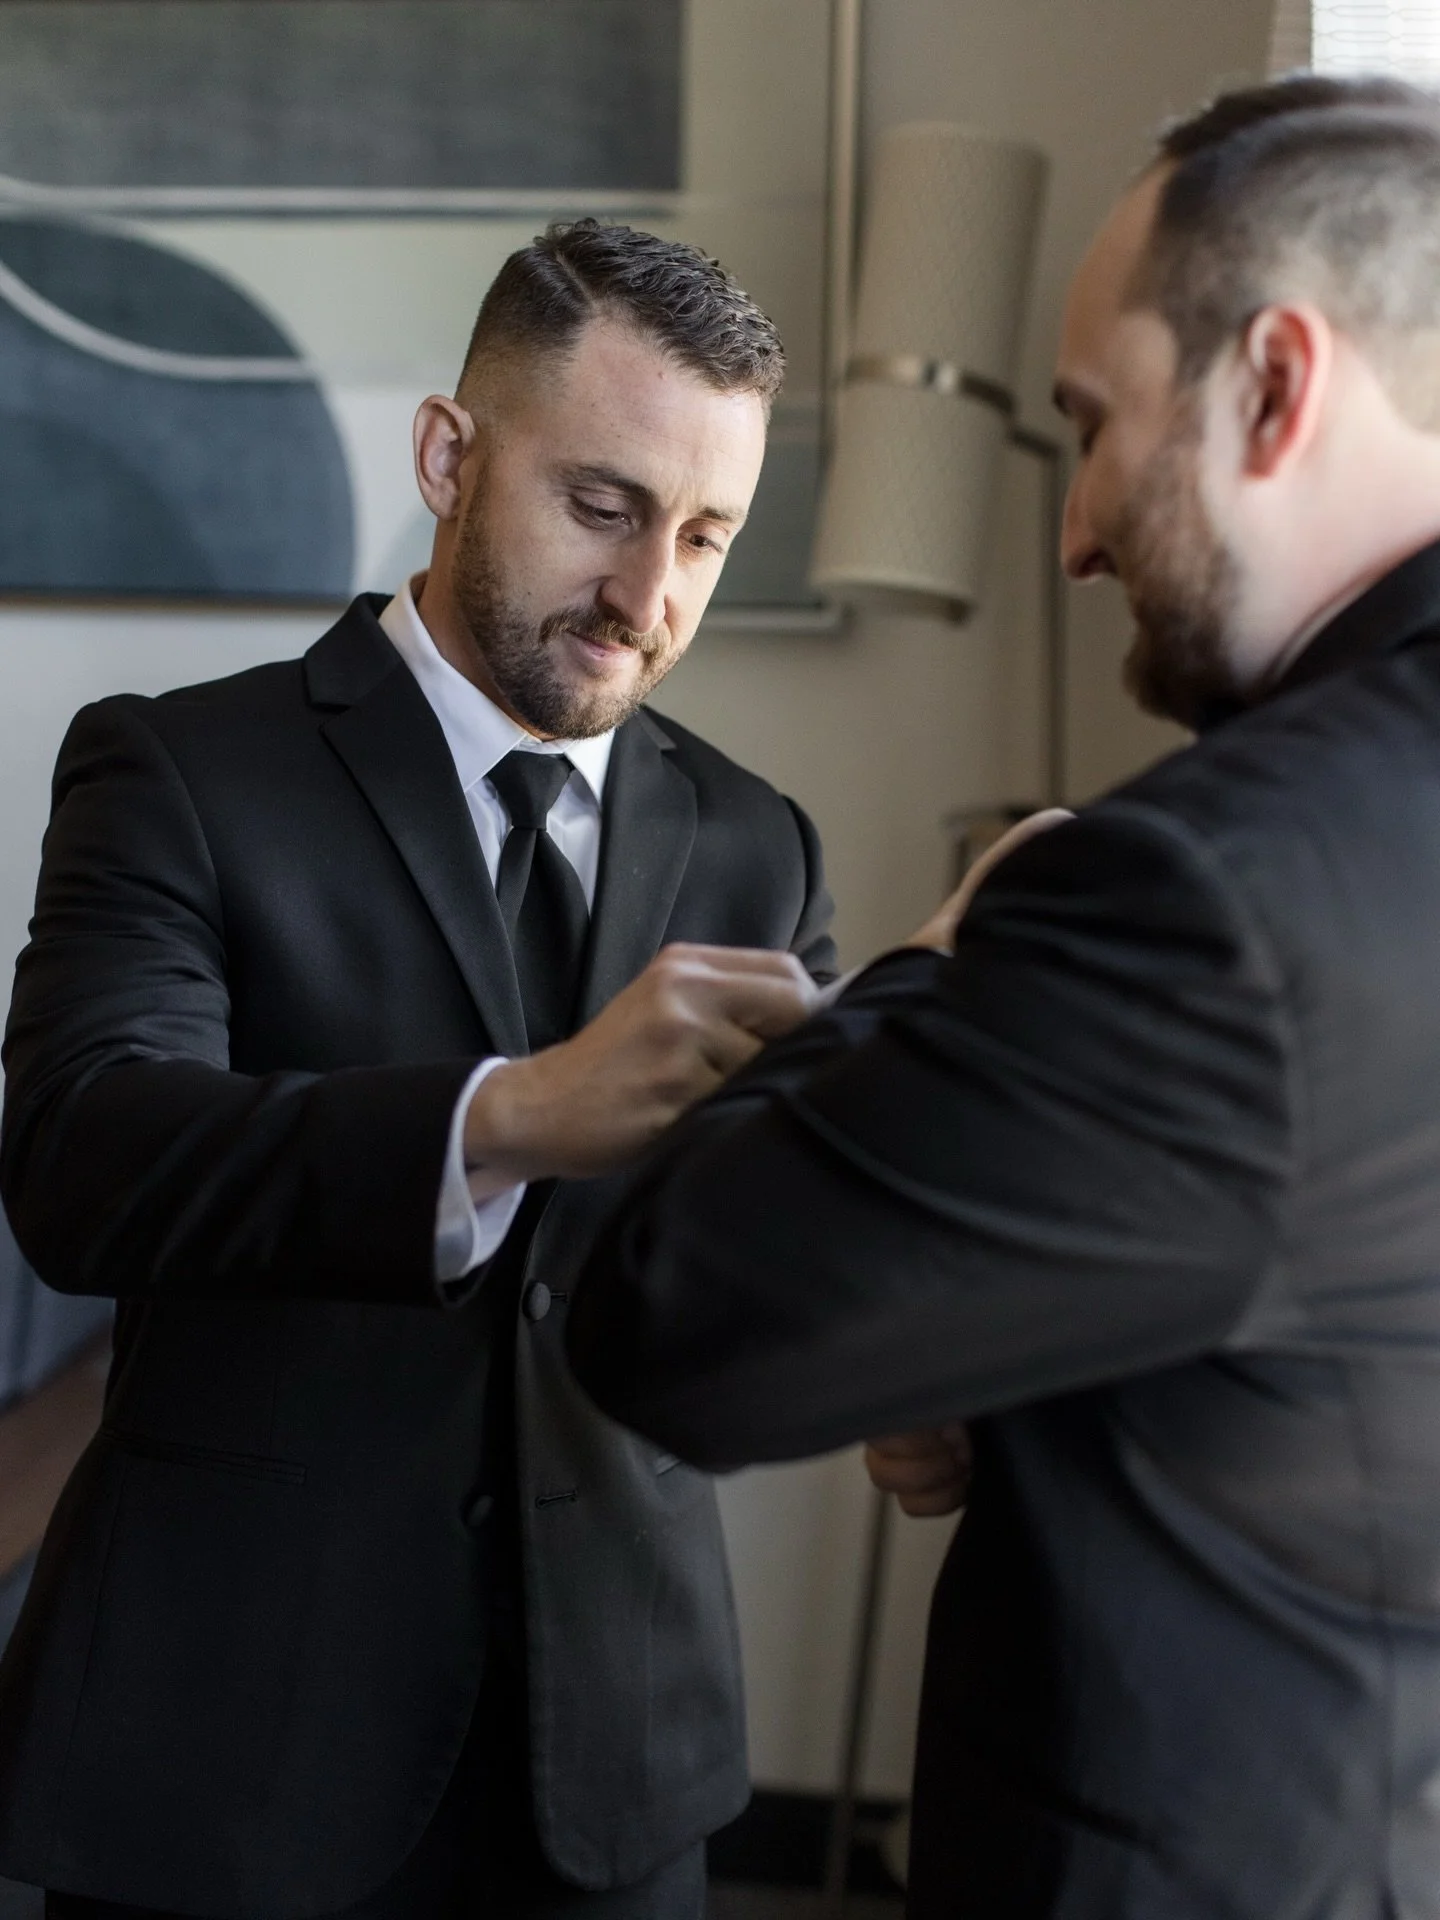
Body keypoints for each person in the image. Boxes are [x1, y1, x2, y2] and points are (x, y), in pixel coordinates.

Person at [568, 76, 1440, 1920]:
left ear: (1274, 388)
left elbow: (678, 1316)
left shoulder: (1203, 890)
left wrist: (942, 955)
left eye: (1094, 426)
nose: (1074, 537)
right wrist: (1015, 1349)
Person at [0, 219, 833, 1920]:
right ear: (450, 458)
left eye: (704, 537)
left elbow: (772, 1275)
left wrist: (947, 1062)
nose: (649, 600)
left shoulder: (763, 841)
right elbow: (85, 1158)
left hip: (619, 1776)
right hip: (230, 1758)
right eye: (602, 507)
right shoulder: (177, 768)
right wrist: (508, 1118)